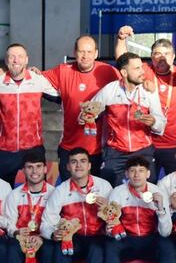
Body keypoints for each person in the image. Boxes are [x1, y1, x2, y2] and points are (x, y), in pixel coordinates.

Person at [40, 147, 113, 263]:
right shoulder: (61, 190)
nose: (78, 165)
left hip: (97, 236)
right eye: (74, 162)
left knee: (97, 250)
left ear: (89, 165)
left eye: (82, 161)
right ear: (68, 167)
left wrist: (106, 210)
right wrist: (53, 234)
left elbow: (117, 217)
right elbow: (46, 222)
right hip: (74, 237)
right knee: (60, 247)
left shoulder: (104, 187)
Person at [115, 27, 176, 178]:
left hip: (175, 145)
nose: (162, 58)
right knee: (147, 186)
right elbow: (123, 61)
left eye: (167, 54)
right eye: (157, 54)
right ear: (151, 57)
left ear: (173, 56)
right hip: (148, 144)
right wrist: (121, 39)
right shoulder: (145, 71)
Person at [100, 156, 172, 263]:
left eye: (141, 171)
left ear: (148, 174)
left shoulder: (158, 192)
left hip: (150, 240)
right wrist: (110, 228)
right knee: (110, 245)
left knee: (167, 245)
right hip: (127, 240)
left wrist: (161, 208)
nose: (136, 175)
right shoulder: (118, 193)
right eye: (132, 171)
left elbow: (166, 231)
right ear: (126, 174)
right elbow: (110, 225)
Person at [41, 35, 120, 180]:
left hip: (98, 150)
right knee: (69, 191)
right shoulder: (63, 71)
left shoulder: (109, 72)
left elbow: (128, 84)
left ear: (96, 53)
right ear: (75, 52)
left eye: (89, 52)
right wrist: (3, 71)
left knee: (96, 192)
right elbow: (35, 78)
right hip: (69, 148)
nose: (85, 56)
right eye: (81, 51)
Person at [0, 43, 59, 186]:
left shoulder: (38, 80)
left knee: (38, 192)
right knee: (0, 192)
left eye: (20, 56)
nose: (16, 60)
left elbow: (62, 98)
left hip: (33, 147)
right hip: (5, 150)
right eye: (12, 57)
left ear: (26, 59)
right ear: (6, 60)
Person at [91, 52, 166, 186]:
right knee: (108, 189)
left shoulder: (148, 91)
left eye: (141, 67)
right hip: (115, 152)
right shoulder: (110, 90)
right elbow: (90, 111)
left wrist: (154, 122)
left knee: (147, 193)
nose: (142, 71)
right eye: (137, 68)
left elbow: (161, 124)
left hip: (143, 150)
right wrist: (85, 116)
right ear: (124, 73)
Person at [0, 152, 56, 263]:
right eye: (29, 167)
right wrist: (16, 232)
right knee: (12, 247)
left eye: (38, 167)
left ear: (45, 169)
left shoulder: (54, 193)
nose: (34, 171)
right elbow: (9, 224)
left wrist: (42, 237)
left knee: (51, 250)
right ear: (23, 170)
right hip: (21, 240)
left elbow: (55, 222)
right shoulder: (14, 195)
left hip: (43, 239)